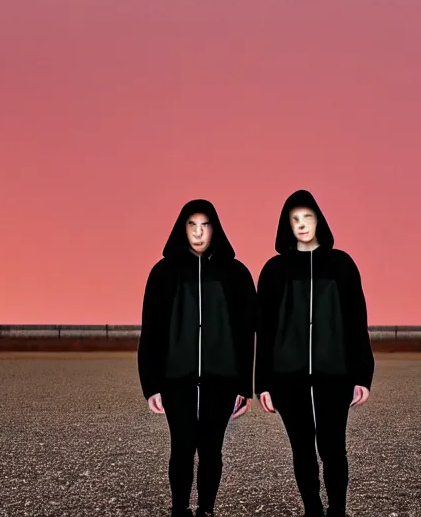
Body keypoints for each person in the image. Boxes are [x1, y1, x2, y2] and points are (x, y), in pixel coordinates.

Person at [255, 190, 374, 517]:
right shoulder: (274, 270)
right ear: (286, 224)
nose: (302, 224)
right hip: (286, 375)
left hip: (335, 373)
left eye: (308, 217)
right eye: (295, 219)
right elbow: (263, 331)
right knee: (302, 447)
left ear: (319, 219)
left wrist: (363, 375)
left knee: (333, 446)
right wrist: (262, 382)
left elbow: (356, 321)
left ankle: (337, 510)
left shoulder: (342, 264)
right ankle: (313, 510)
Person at [138, 199, 256, 517]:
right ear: (183, 228)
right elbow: (151, 330)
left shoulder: (237, 274)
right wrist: (151, 384)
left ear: (215, 228)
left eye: (205, 225)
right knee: (182, 447)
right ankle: (179, 509)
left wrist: (246, 385)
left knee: (211, 450)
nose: (199, 232)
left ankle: (205, 510)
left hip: (223, 378)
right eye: (192, 225)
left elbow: (247, 334)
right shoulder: (163, 273)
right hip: (176, 378)